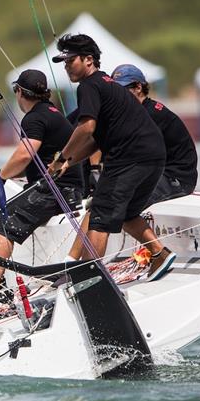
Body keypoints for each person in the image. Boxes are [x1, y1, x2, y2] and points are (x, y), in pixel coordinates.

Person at [47, 34, 176, 280]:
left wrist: (60, 155)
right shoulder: (109, 85)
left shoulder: (89, 85)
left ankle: (91, 280)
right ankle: (158, 253)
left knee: (99, 216)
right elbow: (96, 139)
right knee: (126, 213)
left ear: (88, 60)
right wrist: (68, 162)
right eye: (63, 63)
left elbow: (85, 127)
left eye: (69, 60)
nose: (65, 67)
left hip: (129, 158)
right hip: (154, 157)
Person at [0, 70, 83, 300]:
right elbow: (36, 158)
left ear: (19, 92)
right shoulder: (53, 112)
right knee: (2, 213)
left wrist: (0, 177)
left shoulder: (34, 117)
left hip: (60, 191)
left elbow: (25, 154)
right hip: (65, 188)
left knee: (6, 218)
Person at [111, 64, 198, 205]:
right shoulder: (137, 112)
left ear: (138, 88)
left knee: (120, 205)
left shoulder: (152, 115)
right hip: (157, 175)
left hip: (176, 179)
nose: (117, 95)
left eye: (122, 90)